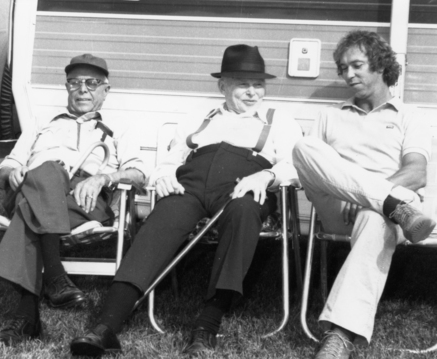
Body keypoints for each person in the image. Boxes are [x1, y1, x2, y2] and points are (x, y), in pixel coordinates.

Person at [69, 44, 304, 357]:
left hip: (244, 186)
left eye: (258, 85)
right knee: (160, 221)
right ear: (223, 86)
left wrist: (266, 177)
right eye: (242, 84)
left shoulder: (280, 120)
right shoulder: (200, 117)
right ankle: (106, 327)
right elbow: (173, 157)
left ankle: (207, 325)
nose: (252, 93)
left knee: (243, 211)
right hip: (190, 184)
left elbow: (295, 165)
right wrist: (164, 175)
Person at [292, 30, 435, 359]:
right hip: (342, 208)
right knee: (303, 147)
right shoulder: (329, 115)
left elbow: (416, 172)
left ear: (382, 66)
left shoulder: (410, 117)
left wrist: (368, 201)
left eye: (356, 65)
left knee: (375, 217)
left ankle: (339, 335)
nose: (348, 74)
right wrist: (367, 195)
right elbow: (311, 165)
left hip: (387, 216)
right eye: (343, 68)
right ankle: (386, 203)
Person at [0, 54, 146, 346]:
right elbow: (5, 167)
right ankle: (55, 276)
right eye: (75, 83)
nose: (83, 89)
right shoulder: (41, 125)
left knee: (29, 210)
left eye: (92, 83)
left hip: (83, 200)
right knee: (47, 169)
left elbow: (139, 174)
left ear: (105, 90)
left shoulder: (120, 128)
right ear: (66, 88)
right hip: (33, 184)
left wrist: (103, 178)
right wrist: (14, 170)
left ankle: (27, 316)